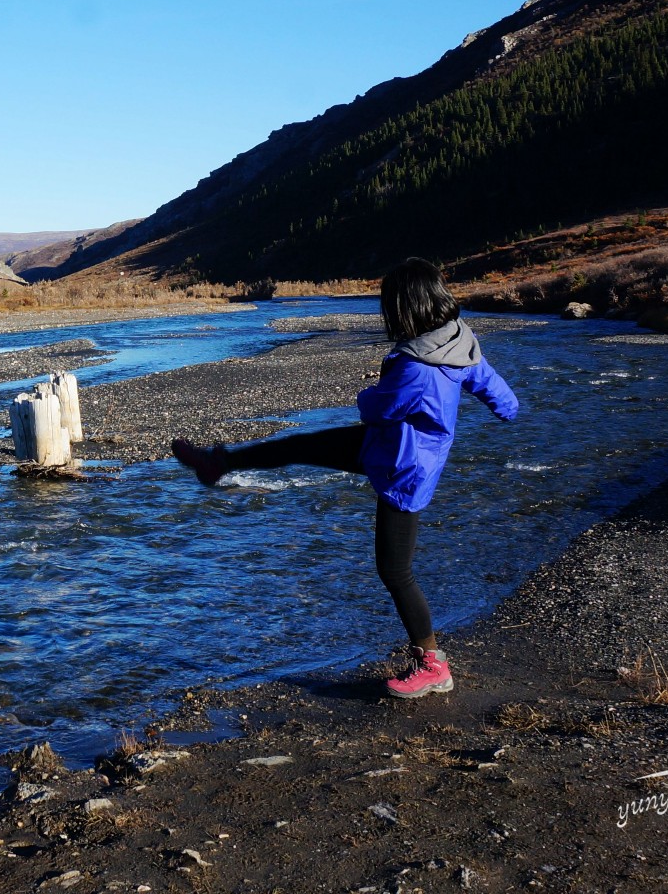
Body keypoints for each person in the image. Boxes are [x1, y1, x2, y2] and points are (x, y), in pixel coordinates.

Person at [171, 258, 519, 698]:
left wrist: (368, 389)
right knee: (302, 446)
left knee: (395, 571)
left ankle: (433, 664)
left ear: (407, 307)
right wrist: (506, 409)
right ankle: (218, 463)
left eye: (389, 304)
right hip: (388, 447)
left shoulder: (417, 367)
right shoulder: (457, 340)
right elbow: (495, 390)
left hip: (402, 468)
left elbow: (375, 409)